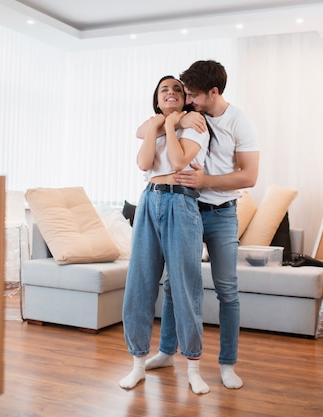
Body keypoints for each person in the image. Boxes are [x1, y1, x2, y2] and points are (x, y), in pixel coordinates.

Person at [140, 60, 260, 389]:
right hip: (185, 207)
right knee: (172, 286)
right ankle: (166, 351)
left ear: (214, 92)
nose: (186, 98)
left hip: (220, 212)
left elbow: (249, 176)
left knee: (227, 290)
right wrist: (172, 119)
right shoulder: (191, 115)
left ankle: (227, 363)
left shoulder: (240, 122)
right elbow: (144, 130)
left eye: (192, 94)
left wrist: (206, 179)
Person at [120, 75, 211, 394]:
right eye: (164, 90)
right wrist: (161, 122)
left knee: (185, 286)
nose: (171, 92)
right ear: (157, 99)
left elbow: (176, 160)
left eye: (177, 89)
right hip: (150, 200)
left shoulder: (196, 125)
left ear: (186, 98)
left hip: (181, 203)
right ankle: (137, 365)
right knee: (140, 282)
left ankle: (194, 367)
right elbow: (144, 162)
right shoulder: (154, 125)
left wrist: (173, 125)